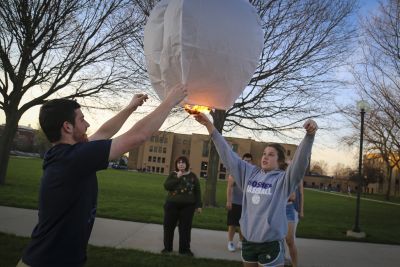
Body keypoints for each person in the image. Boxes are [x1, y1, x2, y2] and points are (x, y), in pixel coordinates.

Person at [17, 84, 187, 267]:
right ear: (67, 127)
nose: (88, 124)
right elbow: (138, 136)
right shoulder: (73, 159)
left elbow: (105, 132)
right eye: (82, 120)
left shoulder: (65, 155)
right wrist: (170, 101)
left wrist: (130, 107)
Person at [194, 113, 317, 267]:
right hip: (248, 242)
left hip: (270, 244)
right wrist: (209, 126)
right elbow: (227, 155)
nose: (265, 157)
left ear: (279, 161)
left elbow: (299, 163)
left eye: (271, 155)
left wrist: (309, 136)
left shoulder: (283, 180)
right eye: (264, 154)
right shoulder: (249, 173)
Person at [162, 156, 202, 256]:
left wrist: (199, 205)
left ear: (187, 164)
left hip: (188, 207)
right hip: (172, 205)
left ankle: (184, 250)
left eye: (183, 162)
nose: (181, 164)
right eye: (179, 162)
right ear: (176, 164)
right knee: (168, 227)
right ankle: (167, 248)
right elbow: (167, 186)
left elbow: (197, 192)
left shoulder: (192, 176)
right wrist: (177, 177)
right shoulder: (173, 174)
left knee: (185, 228)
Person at [226, 153, 253, 252]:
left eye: (249, 160)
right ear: (242, 161)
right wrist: (229, 201)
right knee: (232, 224)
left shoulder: (252, 173)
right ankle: (230, 242)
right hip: (235, 202)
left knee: (243, 224)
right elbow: (229, 188)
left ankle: (241, 242)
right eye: (245, 160)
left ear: (251, 162)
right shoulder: (235, 173)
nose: (247, 162)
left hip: (246, 204)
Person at [285, 181, 304, 267]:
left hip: (293, 208)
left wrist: (301, 210)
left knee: (290, 237)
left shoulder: (297, 176)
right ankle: (283, 257)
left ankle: (289, 258)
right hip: (279, 207)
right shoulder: (277, 172)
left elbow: (299, 194)